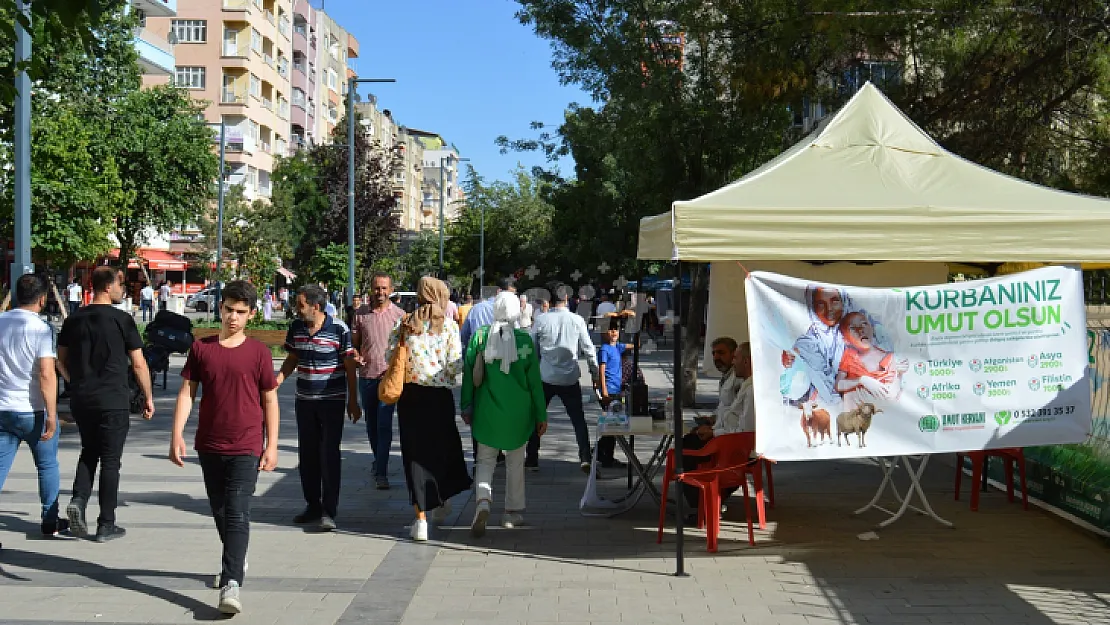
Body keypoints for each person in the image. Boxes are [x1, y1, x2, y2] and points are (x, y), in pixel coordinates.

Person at [168, 280, 279, 616]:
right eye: (229, 309)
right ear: (220, 308)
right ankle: (237, 556)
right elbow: (187, 392)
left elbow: (270, 399)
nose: (233, 317)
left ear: (251, 315)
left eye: (241, 312)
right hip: (209, 443)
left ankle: (231, 582)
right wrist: (176, 434)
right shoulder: (202, 349)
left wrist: (271, 445)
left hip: (246, 444)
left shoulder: (258, 352)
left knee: (237, 510)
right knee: (219, 510)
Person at [59, 266, 154, 542]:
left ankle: (78, 500)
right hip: (113, 398)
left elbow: (59, 360)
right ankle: (106, 524)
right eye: (119, 285)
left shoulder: (73, 320)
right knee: (111, 461)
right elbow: (138, 362)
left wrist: (74, 382)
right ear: (107, 286)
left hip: (82, 398)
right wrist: (147, 396)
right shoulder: (122, 320)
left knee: (89, 451)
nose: (121, 290)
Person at [386, 276, 470, 542]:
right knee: (442, 450)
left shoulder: (404, 323)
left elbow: (390, 357)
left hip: (411, 398)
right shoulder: (448, 326)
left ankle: (420, 518)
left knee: (414, 455)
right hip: (439, 398)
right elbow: (456, 364)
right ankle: (441, 498)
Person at [461, 292, 547, 536]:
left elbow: (469, 375)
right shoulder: (525, 340)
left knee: (485, 460)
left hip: (487, 411)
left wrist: (466, 404)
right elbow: (534, 384)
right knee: (515, 462)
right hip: (519, 413)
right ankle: (511, 513)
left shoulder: (480, 337)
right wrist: (541, 415)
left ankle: (483, 501)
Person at [276, 285, 360, 531]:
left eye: (301, 305)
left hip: (331, 402)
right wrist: (277, 381)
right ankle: (312, 504)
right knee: (308, 455)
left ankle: (328, 510)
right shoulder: (296, 328)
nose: (297, 310)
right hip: (304, 401)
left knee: (329, 454)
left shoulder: (339, 329)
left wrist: (353, 402)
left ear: (316, 306)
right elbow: (292, 359)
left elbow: (350, 367)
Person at [0, 273, 67, 536]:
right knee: (47, 464)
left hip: (3, 409)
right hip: (34, 411)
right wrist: (52, 414)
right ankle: (50, 520)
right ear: (42, 299)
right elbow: (47, 373)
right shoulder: (41, 329)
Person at [527, 284, 599, 473]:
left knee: (537, 417)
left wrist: (533, 371)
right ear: (567, 298)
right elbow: (589, 348)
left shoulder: (541, 320)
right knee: (578, 420)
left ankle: (532, 458)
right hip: (569, 377)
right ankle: (585, 456)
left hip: (546, 376)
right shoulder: (577, 320)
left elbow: (532, 348)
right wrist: (595, 373)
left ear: (548, 301)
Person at [680, 342, 755, 517]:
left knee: (687, 450)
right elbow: (729, 414)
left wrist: (714, 433)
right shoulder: (744, 384)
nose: (717, 358)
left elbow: (744, 432)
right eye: (713, 353)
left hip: (737, 450)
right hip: (726, 438)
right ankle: (705, 502)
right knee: (689, 443)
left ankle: (705, 506)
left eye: (735, 357)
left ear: (746, 361)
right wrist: (713, 426)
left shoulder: (750, 390)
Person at [352, 273, 405, 489]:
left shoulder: (400, 315)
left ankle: (381, 471)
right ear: (371, 290)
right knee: (372, 425)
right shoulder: (361, 314)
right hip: (367, 377)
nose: (380, 292)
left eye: (384, 288)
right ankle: (378, 460)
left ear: (391, 289)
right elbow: (354, 344)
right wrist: (356, 355)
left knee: (384, 425)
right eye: (377, 288)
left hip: (389, 379)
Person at [595, 323, 634, 469]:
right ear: (605, 334)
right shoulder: (604, 349)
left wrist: (631, 319)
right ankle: (605, 456)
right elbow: (602, 370)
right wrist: (603, 390)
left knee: (612, 425)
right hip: (609, 391)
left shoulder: (617, 347)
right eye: (610, 330)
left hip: (616, 390)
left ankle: (602, 453)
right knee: (612, 425)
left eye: (615, 330)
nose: (613, 332)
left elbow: (636, 344)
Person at [460, 277, 516, 348]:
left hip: (479, 351)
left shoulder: (476, 309)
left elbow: (464, 335)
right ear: (499, 292)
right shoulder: (510, 312)